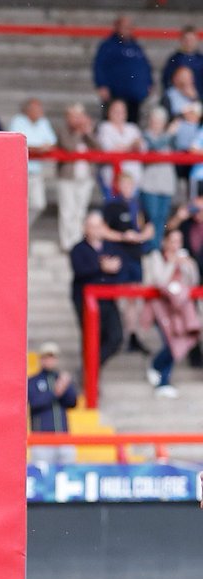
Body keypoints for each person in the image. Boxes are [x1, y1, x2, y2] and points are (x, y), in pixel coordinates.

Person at [101, 171, 155, 352]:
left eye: (130, 185)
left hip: (135, 255)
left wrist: (139, 237)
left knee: (134, 296)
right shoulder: (112, 206)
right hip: (120, 254)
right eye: (124, 185)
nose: (127, 189)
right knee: (121, 296)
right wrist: (123, 236)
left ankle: (132, 334)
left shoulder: (138, 205)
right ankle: (119, 332)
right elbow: (102, 229)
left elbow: (150, 228)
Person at [144, 227, 200, 397]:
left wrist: (189, 266)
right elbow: (159, 281)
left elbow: (192, 283)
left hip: (178, 309)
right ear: (164, 242)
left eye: (179, 241)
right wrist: (172, 263)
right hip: (159, 308)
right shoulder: (156, 257)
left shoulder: (184, 259)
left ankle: (158, 368)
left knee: (179, 342)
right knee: (170, 343)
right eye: (173, 241)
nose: (176, 245)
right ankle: (163, 380)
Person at [70, 210, 125, 369]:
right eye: (91, 226)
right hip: (86, 301)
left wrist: (108, 268)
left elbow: (120, 268)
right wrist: (101, 267)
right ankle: (90, 371)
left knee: (115, 337)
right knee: (91, 338)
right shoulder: (79, 249)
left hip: (108, 299)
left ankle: (91, 367)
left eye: (97, 226)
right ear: (85, 228)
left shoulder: (110, 247)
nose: (94, 230)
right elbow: (80, 271)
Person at [8, 97, 59, 225]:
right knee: (17, 205)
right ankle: (16, 228)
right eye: (36, 109)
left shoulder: (43, 122)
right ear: (28, 110)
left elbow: (51, 142)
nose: (39, 112)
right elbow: (16, 143)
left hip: (36, 171)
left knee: (38, 204)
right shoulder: (18, 121)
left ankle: (23, 228)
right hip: (19, 172)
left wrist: (36, 148)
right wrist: (37, 148)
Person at [93, 14, 152, 123]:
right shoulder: (108, 46)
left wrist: (148, 83)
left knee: (132, 124)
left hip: (134, 95)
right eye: (124, 27)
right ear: (117, 27)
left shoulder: (136, 47)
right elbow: (99, 66)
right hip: (115, 93)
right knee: (112, 122)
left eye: (129, 27)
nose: (127, 30)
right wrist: (101, 85)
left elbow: (145, 66)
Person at [56, 102, 99, 252]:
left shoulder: (87, 133)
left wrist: (88, 133)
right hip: (67, 177)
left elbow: (98, 148)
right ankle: (66, 242)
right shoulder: (64, 131)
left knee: (80, 211)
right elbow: (69, 147)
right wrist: (79, 132)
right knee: (67, 210)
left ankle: (76, 240)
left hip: (85, 177)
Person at [141, 106, 177, 245]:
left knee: (162, 218)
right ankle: (151, 247)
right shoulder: (146, 135)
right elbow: (155, 146)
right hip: (150, 184)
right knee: (152, 217)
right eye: (155, 121)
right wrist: (169, 134)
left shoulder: (169, 137)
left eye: (160, 121)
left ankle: (157, 246)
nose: (157, 124)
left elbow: (179, 147)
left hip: (166, 182)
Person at [96, 96, 146, 191]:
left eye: (122, 111)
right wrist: (130, 146)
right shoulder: (104, 127)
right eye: (116, 111)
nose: (119, 114)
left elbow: (142, 147)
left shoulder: (132, 128)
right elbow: (108, 149)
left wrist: (125, 147)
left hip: (133, 175)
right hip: (112, 176)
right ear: (109, 112)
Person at [27, 341, 78, 432]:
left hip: (62, 435)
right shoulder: (33, 381)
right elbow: (34, 403)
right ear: (41, 359)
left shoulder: (61, 378)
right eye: (46, 357)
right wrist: (55, 392)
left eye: (52, 357)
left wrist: (65, 387)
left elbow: (72, 402)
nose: (49, 360)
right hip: (41, 437)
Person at [160, 24, 203, 99]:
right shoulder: (175, 59)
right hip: (179, 100)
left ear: (197, 40)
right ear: (181, 40)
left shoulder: (201, 60)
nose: (189, 42)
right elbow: (166, 80)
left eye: (191, 39)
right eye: (186, 39)